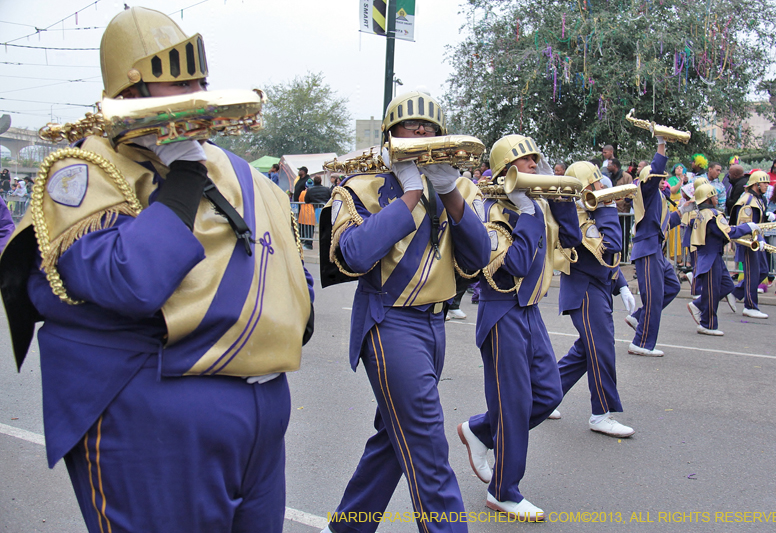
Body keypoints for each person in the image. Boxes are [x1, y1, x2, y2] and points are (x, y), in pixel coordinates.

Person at [0, 7, 313, 532]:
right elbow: (129, 280)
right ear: (126, 95)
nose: (192, 95)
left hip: (262, 409)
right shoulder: (85, 167)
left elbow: (295, 293)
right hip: (153, 416)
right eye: (174, 84)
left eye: (197, 82)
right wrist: (185, 175)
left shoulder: (241, 171)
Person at [321, 90, 490, 533]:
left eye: (429, 128)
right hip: (389, 322)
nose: (420, 134)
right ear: (389, 135)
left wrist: (449, 191)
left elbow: (477, 260)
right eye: (409, 127)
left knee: (391, 443)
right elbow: (354, 255)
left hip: (434, 326)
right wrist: (410, 193)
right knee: (428, 448)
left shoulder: (461, 187)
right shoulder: (361, 186)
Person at [456, 135, 581, 521]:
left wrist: (560, 199)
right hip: (502, 312)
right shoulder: (492, 210)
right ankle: (503, 491)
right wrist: (527, 212)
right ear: (507, 169)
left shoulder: (536, 204)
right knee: (512, 406)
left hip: (529, 311)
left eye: (534, 159)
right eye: (525, 160)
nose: (533, 164)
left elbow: (572, 241)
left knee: (548, 393)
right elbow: (519, 263)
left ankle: (479, 429)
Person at [553, 161, 636, 437]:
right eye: (597, 183)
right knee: (601, 350)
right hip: (585, 291)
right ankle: (601, 413)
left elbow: (606, 260)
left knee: (584, 353)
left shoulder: (591, 212)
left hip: (596, 287)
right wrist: (608, 208)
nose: (603, 188)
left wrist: (621, 284)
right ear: (585, 188)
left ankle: (540, 394)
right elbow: (610, 245)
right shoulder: (578, 216)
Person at [624, 136, 682, 357]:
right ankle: (642, 343)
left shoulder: (659, 195)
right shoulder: (647, 190)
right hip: (647, 250)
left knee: (672, 286)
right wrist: (662, 143)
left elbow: (664, 223)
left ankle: (638, 317)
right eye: (661, 177)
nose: (664, 179)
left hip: (655, 250)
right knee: (653, 297)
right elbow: (656, 167)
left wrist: (684, 211)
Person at [686, 183, 759, 335]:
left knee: (727, 286)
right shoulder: (712, 214)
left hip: (712, 254)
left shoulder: (700, 213)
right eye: (714, 195)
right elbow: (727, 232)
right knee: (712, 291)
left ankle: (699, 305)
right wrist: (748, 227)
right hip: (710, 256)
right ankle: (708, 324)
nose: (716, 198)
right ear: (709, 197)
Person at [730, 170, 774, 318]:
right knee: (753, 273)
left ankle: (736, 293)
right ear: (756, 184)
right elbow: (745, 226)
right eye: (764, 182)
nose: (767, 185)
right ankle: (750, 305)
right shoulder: (748, 201)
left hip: (757, 240)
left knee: (763, 270)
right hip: (750, 242)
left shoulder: (758, 199)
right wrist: (756, 241)